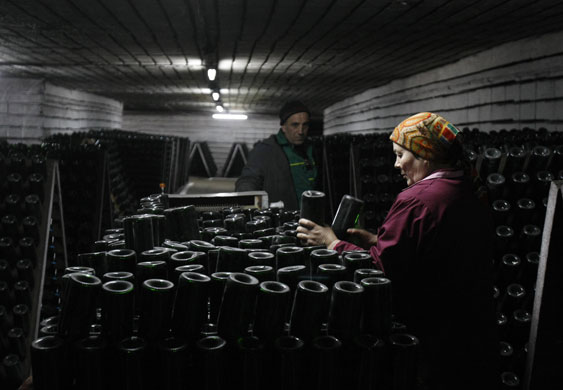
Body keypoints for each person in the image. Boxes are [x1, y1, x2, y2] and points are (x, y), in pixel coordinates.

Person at [296, 112, 499, 390]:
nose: (396, 164)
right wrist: (376, 239)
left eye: (400, 154)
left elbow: (380, 271)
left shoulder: (417, 199)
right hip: (469, 325)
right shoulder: (468, 187)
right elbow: (434, 247)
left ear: (424, 154)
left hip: (430, 329)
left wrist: (332, 242)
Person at [235, 100, 317, 210]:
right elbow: (248, 179)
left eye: (305, 125)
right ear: (283, 127)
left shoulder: (312, 149)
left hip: (312, 217)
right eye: (295, 125)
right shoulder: (265, 150)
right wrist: (248, 201)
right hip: (284, 219)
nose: (301, 131)